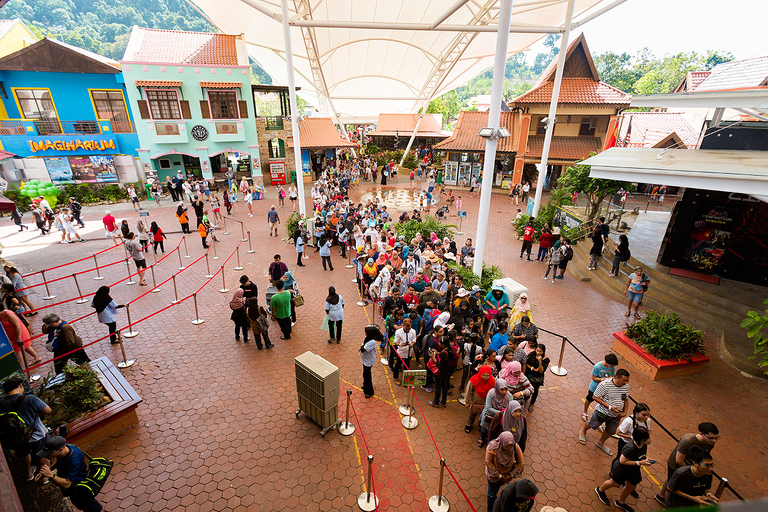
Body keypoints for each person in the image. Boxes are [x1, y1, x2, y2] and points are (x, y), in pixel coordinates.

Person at [1, 377, 52, 483]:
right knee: (43, 452)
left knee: (23, 453)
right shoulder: (29, 399)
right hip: (36, 434)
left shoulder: (2, 405)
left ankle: (29, 474)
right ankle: (45, 477)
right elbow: (48, 410)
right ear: (20, 385)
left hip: (17, 437)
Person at [657, 421, 720, 505]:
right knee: (672, 483)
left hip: (693, 465)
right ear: (701, 433)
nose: (714, 441)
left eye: (716, 438)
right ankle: (665, 500)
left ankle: (661, 495)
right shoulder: (687, 441)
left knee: (671, 480)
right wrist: (691, 472)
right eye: (711, 438)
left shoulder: (710, 443)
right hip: (677, 465)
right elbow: (679, 460)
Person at [35, 436, 103, 512]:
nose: (47, 456)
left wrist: (51, 475)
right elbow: (59, 462)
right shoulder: (66, 448)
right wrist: (46, 471)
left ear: (60, 449)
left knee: (91, 507)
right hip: (73, 489)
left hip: (79, 489)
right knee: (82, 505)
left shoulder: (73, 460)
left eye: (50, 453)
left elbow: (67, 484)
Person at [595, 427, 653, 512]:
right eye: (648, 438)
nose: (650, 439)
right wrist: (640, 463)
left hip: (633, 470)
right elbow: (622, 461)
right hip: (622, 470)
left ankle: (620, 502)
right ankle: (600, 490)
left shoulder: (643, 445)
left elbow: (641, 454)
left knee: (631, 486)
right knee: (614, 483)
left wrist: (645, 459)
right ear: (642, 439)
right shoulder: (630, 448)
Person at [579, 368, 631, 456]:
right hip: (602, 412)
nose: (626, 382)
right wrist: (610, 407)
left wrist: (624, 412)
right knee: (593, 424)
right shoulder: (605, 384)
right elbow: (595, 397)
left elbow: (626, 399)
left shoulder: (626, 386)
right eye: (624, 380)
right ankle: (583, 431)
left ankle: (601, 442)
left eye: (627, 380)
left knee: (610, 431)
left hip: (616, 415)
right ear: (616, 377)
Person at [485, 431, 525, 512]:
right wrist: (499, 476)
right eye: (507, 445)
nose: (509, 448)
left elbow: (521, 463)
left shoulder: (515, 447)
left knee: (498, 490)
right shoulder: (492, 447)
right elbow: (488, 463)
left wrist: (510, 475)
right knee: (491, 494)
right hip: (494, 476)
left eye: (511, 445)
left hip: (507, 476)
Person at [0, 302, 39, 367]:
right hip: (12, 333)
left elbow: (17, 325)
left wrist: (18, 337)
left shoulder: (9, 314)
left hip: (19, 333)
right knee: (25, 346)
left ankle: (20, 367)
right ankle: (36, 357)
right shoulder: (1, 315)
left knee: (17, 350)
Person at [581, 353, 618, 421]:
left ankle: (599, 418)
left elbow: (613, 375)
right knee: (589, 399)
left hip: (605, 388)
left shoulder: (612, 367)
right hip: (595, 387)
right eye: (611, 365)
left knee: (602, 403)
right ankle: (585, 412)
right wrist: (601, 379)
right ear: (606, 362)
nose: (612, 367)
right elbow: (593, 378)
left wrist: (610, 378)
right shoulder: (597, 366)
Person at [463, 364, 494, 433]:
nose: (486, 377)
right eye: (484, 375)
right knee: (472, 413)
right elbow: (468, 391)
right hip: (476, 401)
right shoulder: (474, 379)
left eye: (488, 375)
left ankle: (480, 425)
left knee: (483, 415)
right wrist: (467, 401)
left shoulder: (492, 380)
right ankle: (469, 424)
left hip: (486, 402)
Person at [479, 379, 510, 446]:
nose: (504, 392)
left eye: (506, 389)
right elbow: (489, 408)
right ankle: (482, 437)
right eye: (501, 389)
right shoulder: (491, 393)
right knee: (485, 429)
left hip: (500, 417)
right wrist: (500, 412)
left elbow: (510, 408)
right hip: (490, 415)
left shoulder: (509, 396)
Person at [428, 337, 452, 408]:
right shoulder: (449, 350)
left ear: (443, 344)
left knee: (438, 387)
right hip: (446, 371)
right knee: (444, 386)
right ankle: (444, 401)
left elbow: (439, 366)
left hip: (440, 373)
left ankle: (436, 402)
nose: (438, 343)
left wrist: (433, 358)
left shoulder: (443, 354)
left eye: (439, 343)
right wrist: (438, 353)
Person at [524, 344, 548, 412]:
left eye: (540, 351)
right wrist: (533, 369)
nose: (538, 353)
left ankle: (532, 403)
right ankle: (526, 397)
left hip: (537, 378)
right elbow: (526, 363)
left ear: (543, 352)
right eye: (537, 350)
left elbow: (541, 371)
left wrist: (540, 362)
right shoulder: (532, 354)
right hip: (529, 374)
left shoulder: (546, 360)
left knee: (535, 390)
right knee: (526, 386)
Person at [392, 316, 417, 382]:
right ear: (403, 325)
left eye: (409, 329)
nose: (407, 330)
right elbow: (395, 342)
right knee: (398, 365)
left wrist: (412, 344)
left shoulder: (413, 331)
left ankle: (406, 379)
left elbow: (414, 339)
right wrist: (400, 344)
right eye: (406, 329)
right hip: (401, 351)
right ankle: (395, 378)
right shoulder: (398, 332)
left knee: (407, 365)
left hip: (409, 351)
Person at [361, 326, 381, 398]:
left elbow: (363, 349)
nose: (365, 333)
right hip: (365, 360)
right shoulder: (367, 338)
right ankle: (365, 385)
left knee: (367, 376)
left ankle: (369, 391)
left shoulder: (372, 342)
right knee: (365, 374)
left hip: (368, 361)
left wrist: (362, 347)